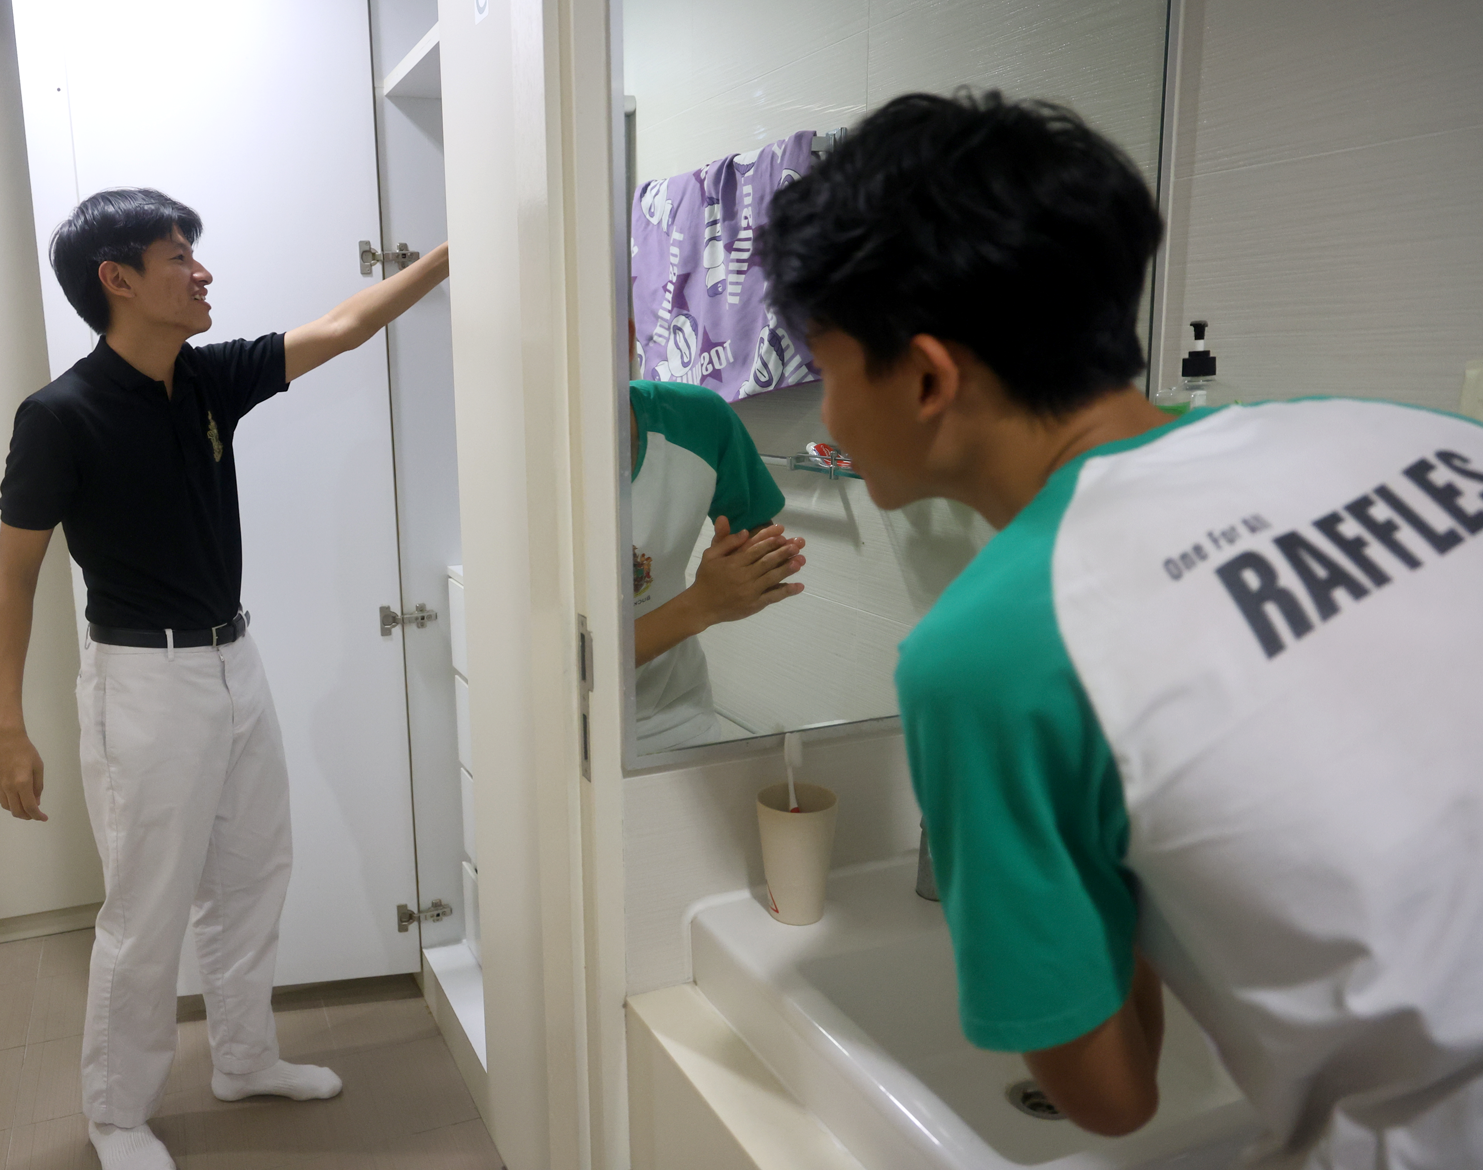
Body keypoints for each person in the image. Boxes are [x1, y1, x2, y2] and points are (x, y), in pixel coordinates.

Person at [763, 90, 1483, 1167]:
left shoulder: (990, 654)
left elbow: (1109, 1100)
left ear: (925, 376)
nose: (824, 416)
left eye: (824, 372)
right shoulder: (1425, 436)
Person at [0, 187, 449, 1170]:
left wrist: (453, 253)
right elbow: (13, 577)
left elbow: (347, 324)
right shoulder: (58, 418)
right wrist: (3, 727)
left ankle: (244, 1058)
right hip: (141, 684)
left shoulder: (206, 379)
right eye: (176, 258)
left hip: (235, 659)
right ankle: (117, 1113)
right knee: (146, 910)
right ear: (116, 280)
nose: (201, 274)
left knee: (253, 875)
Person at [628, 371, 807, 754]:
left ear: (624, 337)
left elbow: (759, 542)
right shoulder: (513, 466)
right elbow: (569, 665)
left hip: (678, 719)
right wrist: (702, 604)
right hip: (557, 731)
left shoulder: (697, 418)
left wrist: (754, 569)